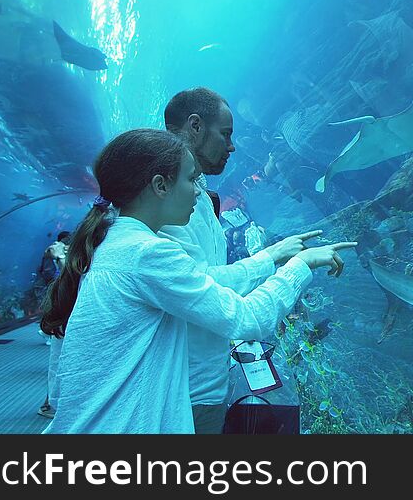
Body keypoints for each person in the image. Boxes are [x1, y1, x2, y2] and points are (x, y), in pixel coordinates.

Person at [40, 128, 355, 433]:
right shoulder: (148, 254)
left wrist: (269, 257)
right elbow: (246, 318)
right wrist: (302, 264)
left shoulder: (113, 243)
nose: (199, 191)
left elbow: (205, 287)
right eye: (192, 179)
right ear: (160, 186)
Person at [161, 87, 343, 433]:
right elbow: (230, 308)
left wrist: (271, 255)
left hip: (204, 378)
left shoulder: (196, 193)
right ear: (195, 126)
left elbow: (203, 280)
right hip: (187, 388)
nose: (232, 146)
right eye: (226, 134)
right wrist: (298, 265)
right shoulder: (168, 203)